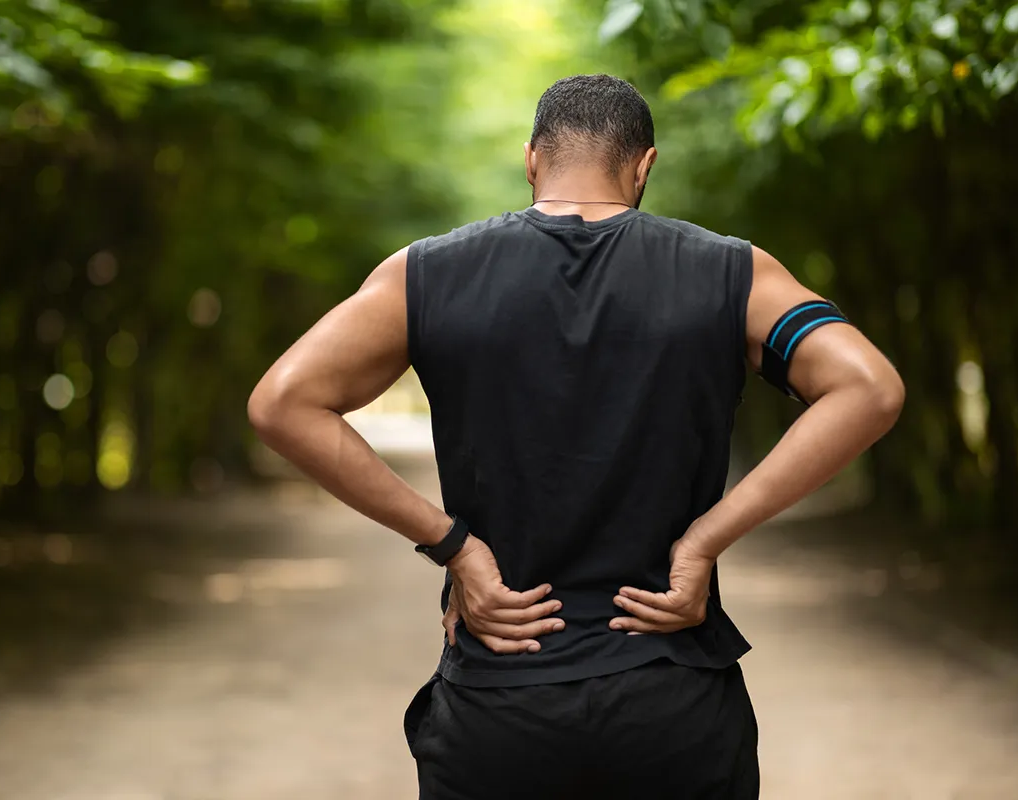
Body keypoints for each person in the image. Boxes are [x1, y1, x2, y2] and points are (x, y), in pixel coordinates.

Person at [247, 74, 904, 799]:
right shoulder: (730, 273)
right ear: (645, 165)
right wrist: (706, 538)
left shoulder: (429, 274)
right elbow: (869, 389)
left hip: (499, 697)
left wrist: (454, 545)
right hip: (672, 699)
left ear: (531, 159)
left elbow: (282, 403)